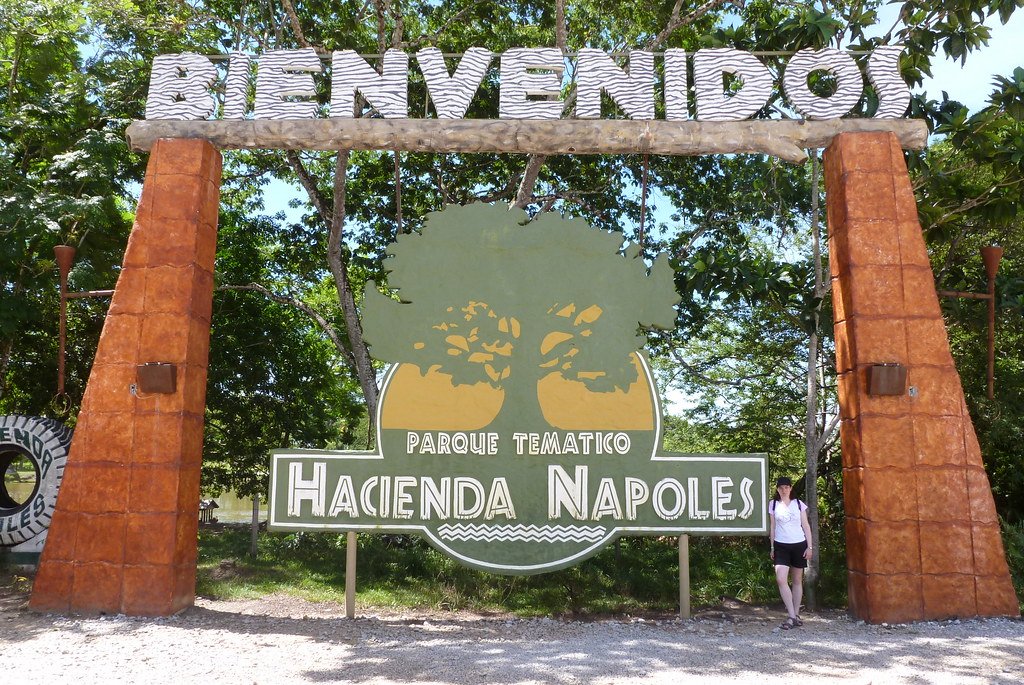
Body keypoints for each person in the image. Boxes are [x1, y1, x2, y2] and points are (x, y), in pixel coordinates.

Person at [768, 476, 813, 630]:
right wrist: (772, 547)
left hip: (799, 544)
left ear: (791, 488)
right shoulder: (773, 504)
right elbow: (772, 527)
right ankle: (791, 615)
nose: (784, 490)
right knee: (781, 579)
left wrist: (810, 547)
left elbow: (806, 526)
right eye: (781, 488)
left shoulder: (799, 504)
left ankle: (796, 614)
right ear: (777, 489)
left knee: (797, 580)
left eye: (786, 487)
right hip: (781, 545)